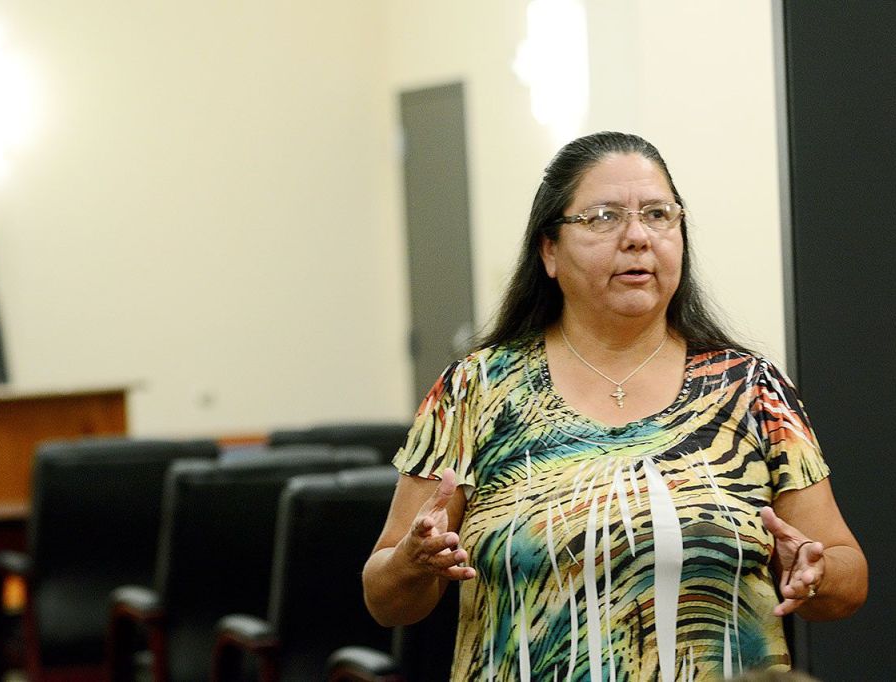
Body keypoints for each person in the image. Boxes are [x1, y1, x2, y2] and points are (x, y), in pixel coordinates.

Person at [363, 132, 867, 680]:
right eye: (603, 217)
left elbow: (847, 577)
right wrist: (414, 564)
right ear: (548, 250)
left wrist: (815, 573)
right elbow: (387, 600)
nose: (637, 237)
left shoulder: (751, 389)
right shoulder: (476, 389)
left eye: (658, 214)